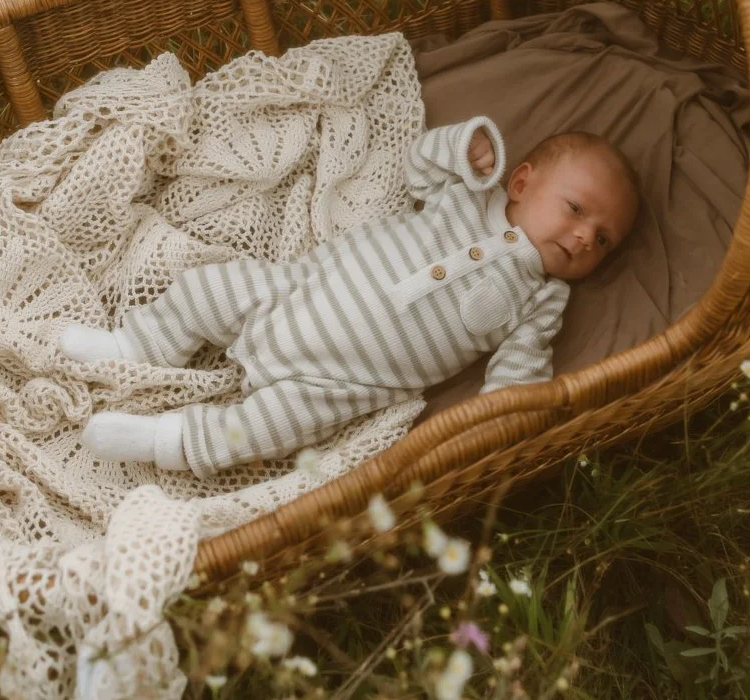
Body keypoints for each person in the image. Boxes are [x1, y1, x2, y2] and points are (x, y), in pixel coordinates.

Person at [60, 118, 639, 476]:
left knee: (271, 428)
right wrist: (467, 149)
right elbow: (419, 167)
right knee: (213, 287)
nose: (586, 236)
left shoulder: (541, 298)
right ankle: (137, 342)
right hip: (297, 291)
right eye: (576, 209)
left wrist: (497, 429)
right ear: (521, 183)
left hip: (347, 381)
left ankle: (174, 441)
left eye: (604, 239)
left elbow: (517, 379)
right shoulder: (465, 195)